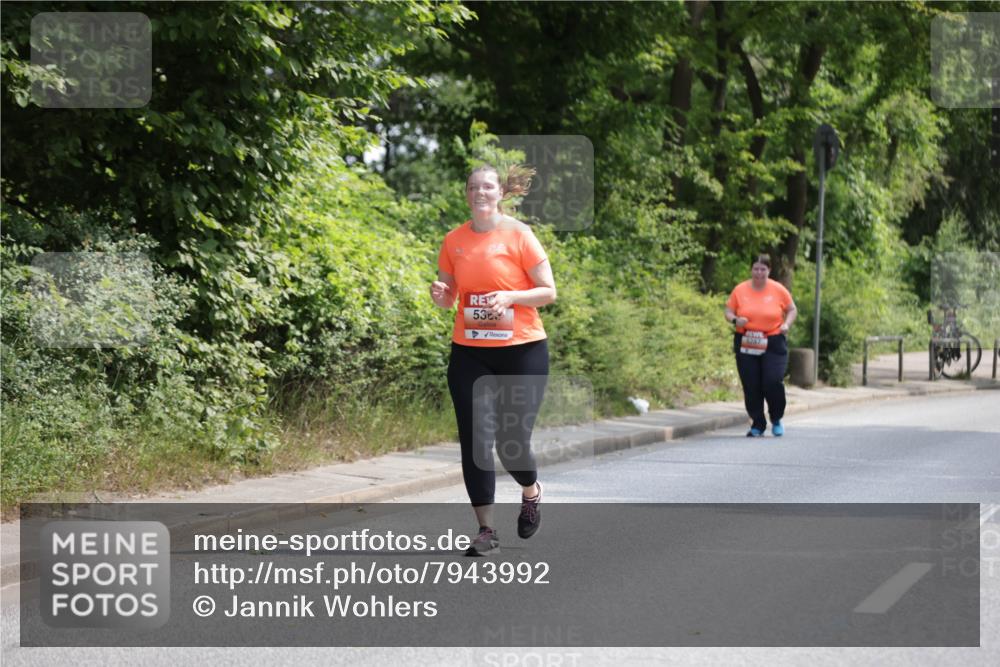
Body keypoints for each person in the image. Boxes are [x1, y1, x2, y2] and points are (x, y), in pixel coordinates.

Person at [430, 163, 557, 556]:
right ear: (466, 194)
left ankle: (531, 491)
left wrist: (511, 298)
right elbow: (451, 295)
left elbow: (548, 291)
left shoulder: (520, 234)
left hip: (522, 350)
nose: (480, 192)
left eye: (487, 187)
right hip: (470, 351)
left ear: (500, 193)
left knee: (512, 442)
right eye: (473, 187)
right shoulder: (454, 240)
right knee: (475, 440)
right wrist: (441, 295)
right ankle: (486, 530)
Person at [724, 254, 797, 438]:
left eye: (762, 269)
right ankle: (757, 423)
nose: (759, 273)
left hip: (773, 340)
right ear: (751, 270)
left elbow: (791, 309)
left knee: (772, 381)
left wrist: (786, 324)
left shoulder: (778, 289)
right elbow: (728, 310)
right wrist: (735, 319)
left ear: (769, 270)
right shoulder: (740, 290)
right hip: (746, 339)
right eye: (755, 269)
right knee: (751, 384)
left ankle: (777, 417)